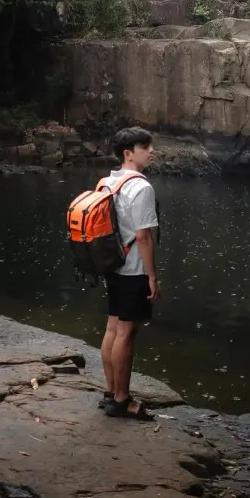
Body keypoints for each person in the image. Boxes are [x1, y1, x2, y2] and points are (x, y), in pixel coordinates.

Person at [98, 126, 160, 420]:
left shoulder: (108, 181)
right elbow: (144, 237)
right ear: (128, 153)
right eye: (145, 147)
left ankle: (110, 393)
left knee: (112, 328)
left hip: (112, 266)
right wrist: (152, 276)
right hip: (133, 269)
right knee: (127, 333)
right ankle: (123, 401)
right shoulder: (141, 187)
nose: (151, 152)